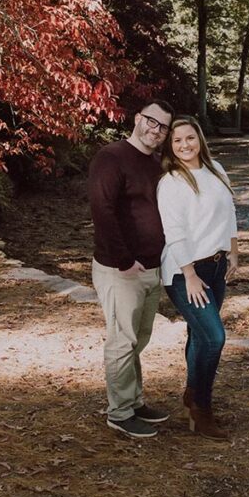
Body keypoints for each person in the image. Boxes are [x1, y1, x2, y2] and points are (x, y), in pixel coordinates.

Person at [88, 99, 175, 439]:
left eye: (164, 127)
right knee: (122, 340)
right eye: (152, 122)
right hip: (120, 270)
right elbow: (102, 211)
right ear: (138, 119)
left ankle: (134, 401)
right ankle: (120, 412)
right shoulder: (110, 158)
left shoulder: (156, 163)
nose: (157, 130)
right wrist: (124, 260)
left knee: (138, 339)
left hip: (152, 268)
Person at [157, 116, 238, 441]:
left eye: (190, 138)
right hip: (183, 271)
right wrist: (189, 274)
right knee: (214, 337)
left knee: (199, 334)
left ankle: (192, 393)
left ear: (200, 139)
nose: (185, 145)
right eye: (178, 141)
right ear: (170, 146)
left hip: (216, 267)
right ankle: (201, 409)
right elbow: (173, 233)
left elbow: (229, 211)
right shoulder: (172, 182)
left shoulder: (216, 169)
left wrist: (234, 251)